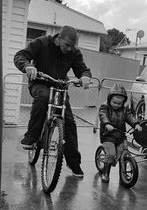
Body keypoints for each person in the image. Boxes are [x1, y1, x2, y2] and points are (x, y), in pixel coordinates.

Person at [14, 25, 91, 178]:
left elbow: (82, 69)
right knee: (43, 97)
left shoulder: (74, 52)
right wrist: (28, 66)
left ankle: (73, 162)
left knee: (69, 121)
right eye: (66, 45)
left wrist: (85, 76)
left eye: (72, 46)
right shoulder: (41, 43)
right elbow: (20, 56)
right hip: (40, 82)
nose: (69, 49)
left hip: (59, 86)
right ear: (59, 38)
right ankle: (32, 136)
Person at [98, 83, 142, 183]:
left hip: (121, 135)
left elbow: (129, 116)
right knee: (111, 154)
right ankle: (105, 173)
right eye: (114, 102)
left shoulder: (125, 108)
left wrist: (136, 124)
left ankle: (122, 175)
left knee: (124, 153)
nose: (117, 105)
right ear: (109, 100)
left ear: (123, 102)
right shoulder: (105, 107)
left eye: (119, 103)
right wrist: (107, 124)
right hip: (108, 135)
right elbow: (103, 116)